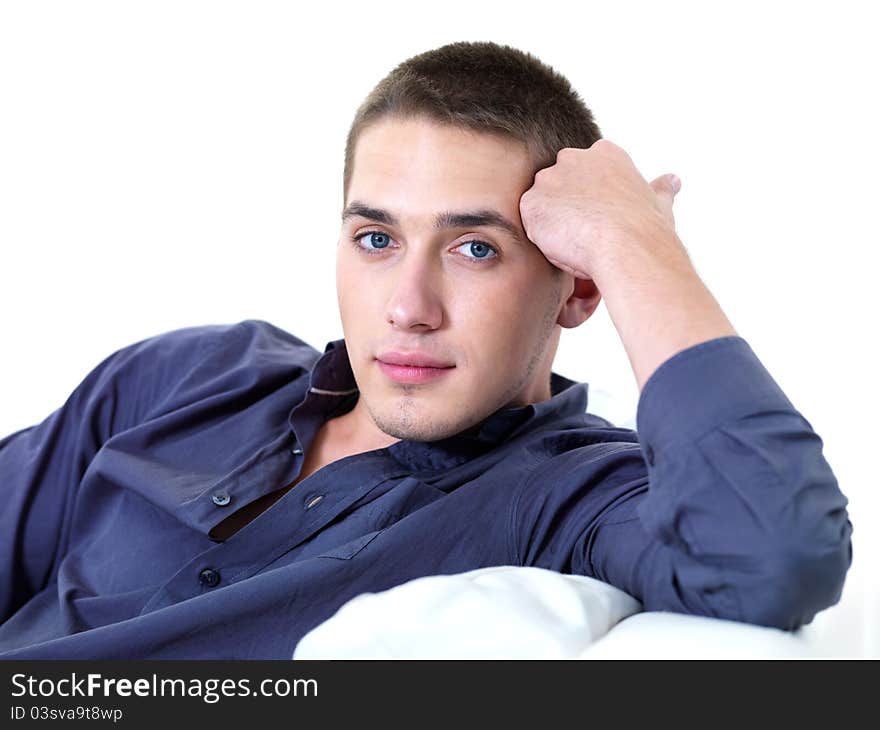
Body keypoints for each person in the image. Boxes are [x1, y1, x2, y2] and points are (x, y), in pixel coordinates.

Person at [0, 41, 852, 659]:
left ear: (578, 285)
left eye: (473, 248)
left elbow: (772, 554)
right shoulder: (187, 375)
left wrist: (638, 246)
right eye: (376, 238)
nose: (408, 308)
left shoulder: (568, 493)